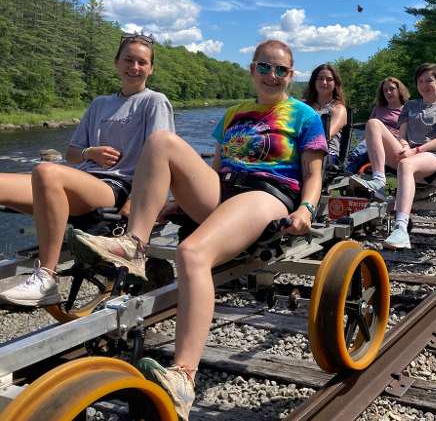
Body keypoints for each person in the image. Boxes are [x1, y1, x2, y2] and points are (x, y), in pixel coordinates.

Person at [71, 39, 327, 420]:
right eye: (264, 67)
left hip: (268, 194)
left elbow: (313, 173)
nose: (272, 76)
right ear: (252, 69)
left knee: (191, 252)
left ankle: (183, 377)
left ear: (291, 75)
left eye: (281, 70)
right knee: (161, 141)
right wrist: (176, 202)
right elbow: (215, 171)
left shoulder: (304, 115)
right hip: (225, 190)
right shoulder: (234, 114)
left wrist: (306, 208)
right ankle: (134, 244)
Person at [0, 33, 175, 307]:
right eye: (129, 60)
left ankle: (47, 276)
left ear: (151, 68)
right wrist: (89, 153)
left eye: (142, 62)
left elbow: (160, 158)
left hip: (116, 188)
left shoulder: (154, 102)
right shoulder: (99, 103)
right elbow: (71, 155)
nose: (135, 67)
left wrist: (136, 203)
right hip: (82, 179)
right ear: (117, 63)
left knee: (47, 171)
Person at [351, 63, 436, 250]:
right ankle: (379, 179)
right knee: (374, 123)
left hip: (433, 156)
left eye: (429, 81)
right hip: (409, 152)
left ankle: (400, 229)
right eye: (420, 81)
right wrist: (405, 145)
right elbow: (402, 135)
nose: (424, 85)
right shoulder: (410, 105)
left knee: (407, 164)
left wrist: (416, 151)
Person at [345, 77, 409, 174]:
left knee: (362, 149)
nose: (388, 92)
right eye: (385, 90)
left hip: (393, 144)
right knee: (364, 144)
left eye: (391, 89)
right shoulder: (378, 109)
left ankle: (347, 170)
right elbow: (369, 128)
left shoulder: (407, 109)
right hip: (372, 142)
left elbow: (407, 134)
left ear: (399, 90)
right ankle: (346, 170)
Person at [302, 64, 347, 168]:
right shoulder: (304, 105)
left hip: (327, 154)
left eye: (329, 79)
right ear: (314, 82)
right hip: (301, 148)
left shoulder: (338, 109)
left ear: (335, 83)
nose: (324, 82)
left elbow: (327, 135)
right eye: (320, 79)